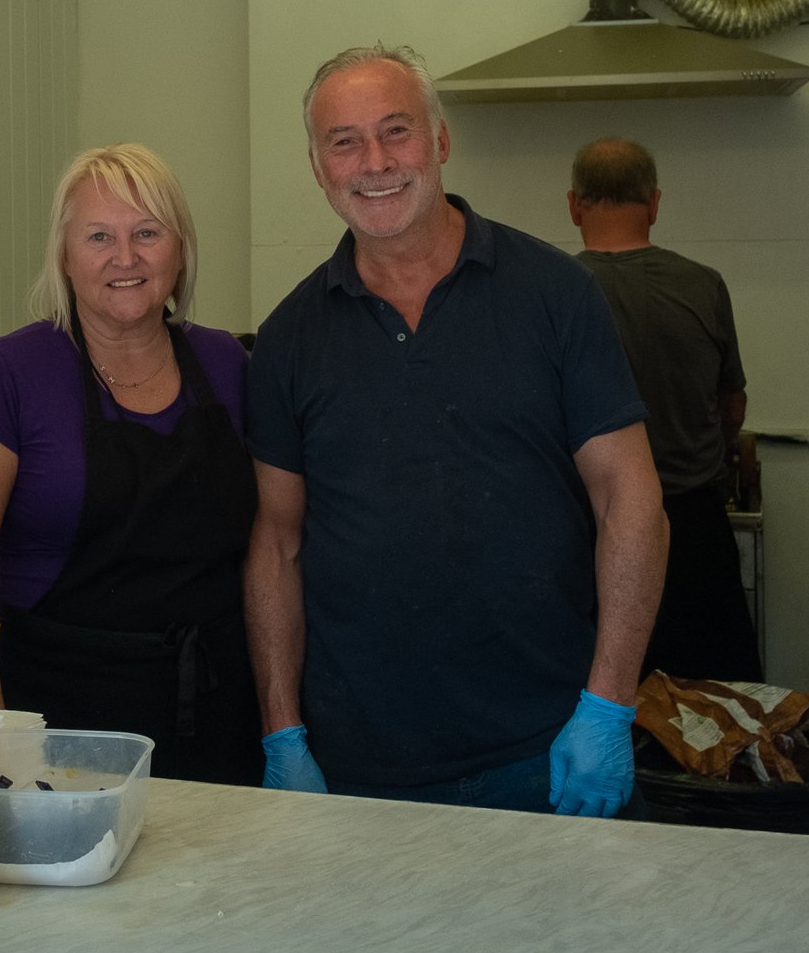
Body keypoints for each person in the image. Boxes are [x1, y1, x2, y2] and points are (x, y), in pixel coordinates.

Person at [243, 46, 668, 816]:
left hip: (546, 749)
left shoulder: (556, 295)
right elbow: (277, 543)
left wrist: (608, 704)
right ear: (317, 166)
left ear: (440, 141)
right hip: (361, 774)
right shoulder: (288, 338)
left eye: (396, 131)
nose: (374, 162)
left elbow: (629, 500)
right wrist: (283, 732)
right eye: (344, 141)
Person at [0, 143, 262, 784]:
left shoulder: (228, 366)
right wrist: (0, 750)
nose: (125, 258)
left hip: (220, 715)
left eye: (147, 233)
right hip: (62, 728)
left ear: (180, 248)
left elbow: (269, 548)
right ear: (64, 255)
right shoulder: (9, 374)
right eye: (99, 236)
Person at [568, 137, 761, 683]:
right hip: (692, 532)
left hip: (587, 532)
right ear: (654, 204)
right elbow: (732, 404)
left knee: (601, 707)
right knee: (711, 710)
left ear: (575, 205)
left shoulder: (552, 291)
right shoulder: (703, 285)